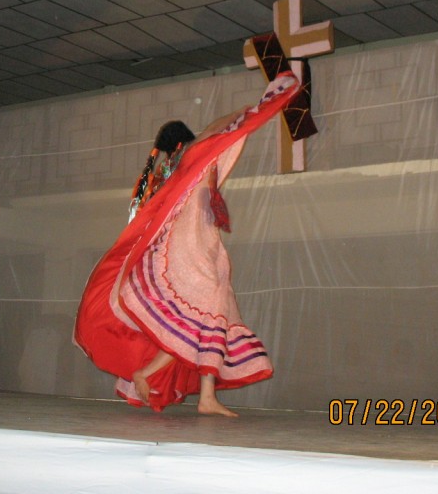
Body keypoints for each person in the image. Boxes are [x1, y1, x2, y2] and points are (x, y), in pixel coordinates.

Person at [74, 72, 301, 416]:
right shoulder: (193, 157)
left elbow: (215, 131)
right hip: (187, 251)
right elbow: (216, 129)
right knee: (209, 314)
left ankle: (160, 379)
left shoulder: (177, 168)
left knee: (201, 323)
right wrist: (251, 108)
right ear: (186, 141)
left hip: (198, 248)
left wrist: (249, 110)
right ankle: (200, 395)